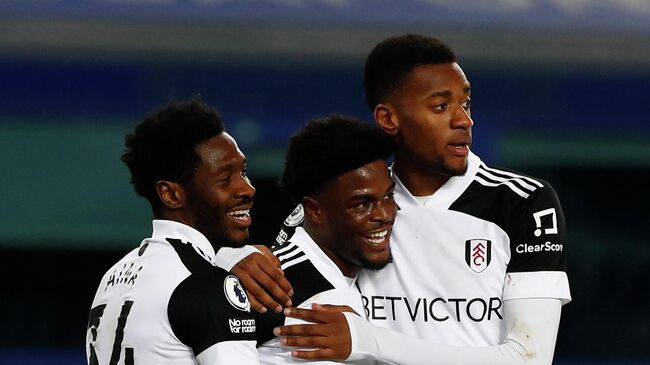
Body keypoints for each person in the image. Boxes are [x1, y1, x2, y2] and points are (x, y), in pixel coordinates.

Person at [247, 34, 572, 364]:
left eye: (466, 103)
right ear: (388, 118)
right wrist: (234, 258)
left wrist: (368, 339)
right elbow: (276, 264)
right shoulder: (357, 204)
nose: (463, 120)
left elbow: (530, 358)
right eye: (441, 106)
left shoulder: (523, 203)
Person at [85, 98, 261, 364]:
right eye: (225, 179)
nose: (247, 189)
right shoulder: (206, 285)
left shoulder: (112, 277)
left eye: (243, 172)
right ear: (171, 194)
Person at [255, 115, 396, 364]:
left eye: (388, 196)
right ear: (315, 210)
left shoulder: (374, 272)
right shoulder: (278, 290)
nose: (385, 215)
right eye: (362, 204)